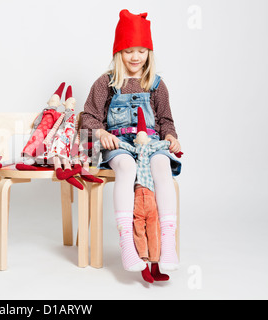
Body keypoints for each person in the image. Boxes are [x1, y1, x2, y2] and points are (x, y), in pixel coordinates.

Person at [81, 9, 182, 275]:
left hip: (150, 145)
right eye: (128, 51)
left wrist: (170, 137)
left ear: (149, 52)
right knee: (126, 168)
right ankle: (126, 239)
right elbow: (88, 118)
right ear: (118, 53)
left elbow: (166, 121)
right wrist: (102, 133)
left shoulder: (157, 85)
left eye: (141, 50)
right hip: (120, 146)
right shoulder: (106, 83)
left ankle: (168, 241)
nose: (135, 57)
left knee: (162, 167)